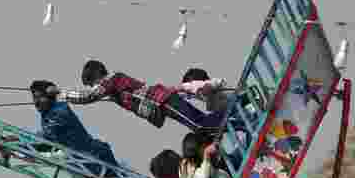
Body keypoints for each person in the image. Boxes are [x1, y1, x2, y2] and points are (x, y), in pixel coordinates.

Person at [47, 60, 225, 132]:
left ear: (97, 76)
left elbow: (89, 96)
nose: (96, 87)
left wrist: (62, 94)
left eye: (93, 83)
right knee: (201, 125)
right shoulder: (113, 88)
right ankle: (231, 118)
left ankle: (230, 113)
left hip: (162, 100)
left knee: (199, 125)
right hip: (163, 102)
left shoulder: (111, 79)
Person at [28, 80, 118, 176]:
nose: (36, 102)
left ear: (51, 98)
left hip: (94, 159)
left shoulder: (59, 112)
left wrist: (22, 143)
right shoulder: (48, 114)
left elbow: (45, 138)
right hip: (87, 160)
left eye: (40, 97)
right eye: (34, 97)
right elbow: (47, 140)